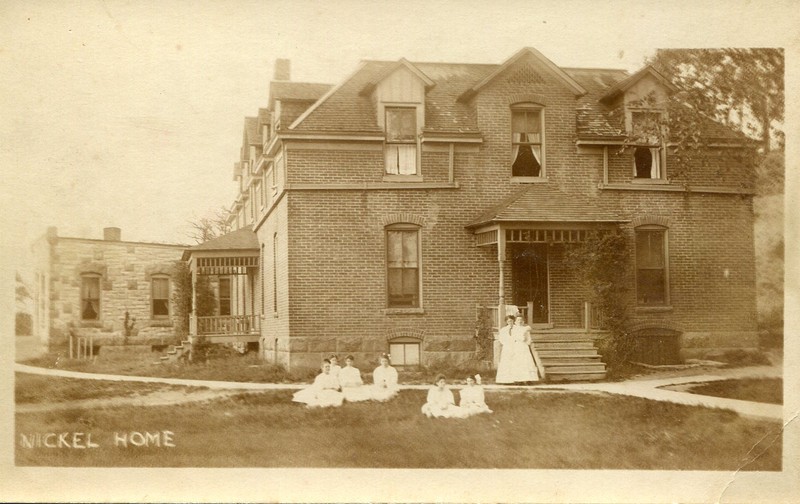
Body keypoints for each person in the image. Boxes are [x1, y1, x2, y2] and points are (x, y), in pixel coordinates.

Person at [495, 315, 539, 384]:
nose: (510, 322)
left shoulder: (521, 329)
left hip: (521, 347)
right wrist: (507, 344)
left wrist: (525, 341)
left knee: (525, 362)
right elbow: (504, 339)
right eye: (509, 321)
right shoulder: (507, 329)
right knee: (512, 363)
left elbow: (527, 338)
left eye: (512, 321)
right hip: (511, 347)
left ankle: (527, 380)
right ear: (506, 322)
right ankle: (510, 380)